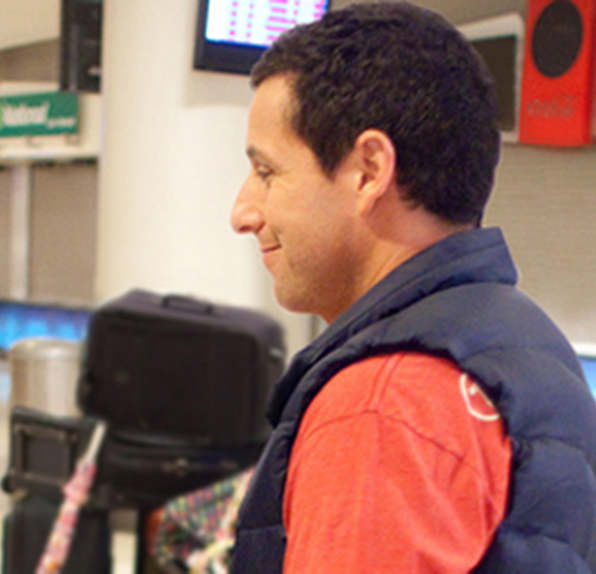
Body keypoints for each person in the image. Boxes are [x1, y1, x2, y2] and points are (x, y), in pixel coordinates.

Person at [228, 3, 596, 573]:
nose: (243, 212)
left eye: (267, 172)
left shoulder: (380, 406)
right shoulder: (524, 346)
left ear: (369, 171)